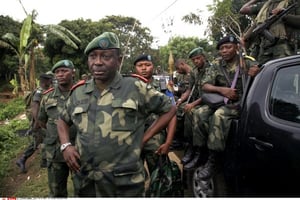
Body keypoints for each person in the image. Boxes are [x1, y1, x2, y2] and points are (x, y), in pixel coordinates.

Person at [56, 32, 176, 197]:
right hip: (86, 181)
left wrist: (145, 138)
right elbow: (62, 120)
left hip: (125, 182)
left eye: (105, 56)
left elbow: (169, 109)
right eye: (93, 56)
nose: (98, 62)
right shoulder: (78, 92)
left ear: (119, 60)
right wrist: (65, 145)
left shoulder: (135, 87)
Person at [194, 35, 260, 180]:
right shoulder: (217, 65)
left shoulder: (247, 62)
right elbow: (205, 85)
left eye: (228, 47)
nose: (224, 51)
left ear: (236, 47)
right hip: (222, 100)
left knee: (219, 115)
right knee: (199, 113)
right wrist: (222, 90)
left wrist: (256, 73)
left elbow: (261, 69)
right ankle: (200, 151)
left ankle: (214, 159)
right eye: (222, 48)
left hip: (242, 102)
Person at [133, 54, 177, 194]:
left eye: (147, 65)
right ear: (135, 68)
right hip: (133, 138)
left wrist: (168, 142)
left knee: (160, 178)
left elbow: (172, 113)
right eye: (140, 66)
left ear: (153, 66)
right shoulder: (128, 86)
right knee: (133, 179)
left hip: (156, 138)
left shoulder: (163, 87)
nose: (144, 68)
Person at [38, 59, 77, 197]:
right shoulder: (47, 97)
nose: (60, 74)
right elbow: (42, 121)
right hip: (55, 154)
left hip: (79, 152)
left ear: (73, 73)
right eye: (57, 72)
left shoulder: (82, 94)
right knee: (56, 193)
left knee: (83, 190)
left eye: (64, 71)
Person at [176, 47, 211, 170]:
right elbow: (189, 90)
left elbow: (207, 94)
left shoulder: (211, 69)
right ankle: (190, 145)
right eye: (193, 59)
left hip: (209, 101)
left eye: (198, 58)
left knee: (194, 113)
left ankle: (199, 151)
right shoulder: (195, 72)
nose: (196, 61)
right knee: (185, 110)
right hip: (198, 101)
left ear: (204, 57)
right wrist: (181, 100)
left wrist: (192, 104)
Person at [16, 72, 53, 173]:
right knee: (42, 140)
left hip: (40, 120)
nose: (51, 81)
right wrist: (37, 122)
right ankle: (27, 160)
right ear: (45, 81)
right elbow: (35, 106)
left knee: (38, 140)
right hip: (38, 121)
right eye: (50, 80)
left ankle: (26, 159)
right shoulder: (39, 92)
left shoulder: (43, 90)